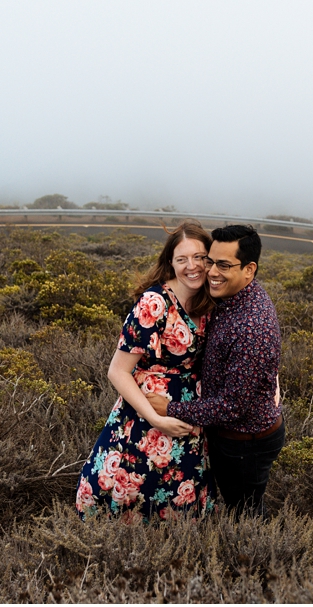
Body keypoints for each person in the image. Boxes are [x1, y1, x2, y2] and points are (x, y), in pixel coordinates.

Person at [75, 220, 216, 521]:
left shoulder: (211, 300)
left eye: (199, 258)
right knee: (137, 494)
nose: (192, 267)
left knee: (180, 504)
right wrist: (155, 419)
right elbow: (117, 371)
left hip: (191, 417)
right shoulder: (156, 303)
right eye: (182, 259)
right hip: (145, 416)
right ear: (171, 263)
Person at [146, 224, 284, 517]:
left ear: (249, 269)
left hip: (245, 443)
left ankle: (256, 559)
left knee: (245, 514)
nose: (211, 271)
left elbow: (231, 407)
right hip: (237, 437)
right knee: (242, 507)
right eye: (210, 261)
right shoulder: (232, 298)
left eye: (224, 265)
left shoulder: (250, 326)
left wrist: (170, 409)